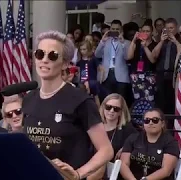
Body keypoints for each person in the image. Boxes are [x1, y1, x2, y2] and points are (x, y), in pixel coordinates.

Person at [22, 30, 113, 180]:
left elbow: (106, 150)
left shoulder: (80, 100)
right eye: (40, 54)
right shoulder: (29, 98)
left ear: (65, 63)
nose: (44, 60)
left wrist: (78, 174)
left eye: (52, 56)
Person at [88, 93, 137, 180]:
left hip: (115, 174)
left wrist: (125, 148)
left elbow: (140, 141)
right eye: (108, 107)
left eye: (116, 109)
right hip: (91, 170)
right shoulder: (94, 127)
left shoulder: (128, 129)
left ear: (121, 112)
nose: (111, 111)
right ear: (103, 107)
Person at [120, 108, 179, 180]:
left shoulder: (170, 142)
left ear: (163, 123)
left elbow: (166, 170)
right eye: (147, 120)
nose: (150, 123)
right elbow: (123, 164)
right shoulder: (133, 138)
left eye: (155, 120)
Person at [127, 23, 158, 104]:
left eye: (147, 31)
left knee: (149, 99)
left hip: (149, 75)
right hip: (136, 75)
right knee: (137, 99)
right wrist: (133, 40)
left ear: (152, 32)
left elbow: (153, 60)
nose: (145, 33)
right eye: (143, 31)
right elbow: (129, 56)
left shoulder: (155, 44)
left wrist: (145, 47)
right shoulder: (136, 43)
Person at [76, 40, 101, 107]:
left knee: (96, 98)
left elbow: (100, 70)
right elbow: (78, 74)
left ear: (89, 49)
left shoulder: (93, 59)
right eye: (81, 49)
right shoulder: (79, 61)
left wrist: (99, 80)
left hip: (92, 81)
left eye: (84, 49)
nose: (82, 51)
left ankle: (99, 112)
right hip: (82, 82)